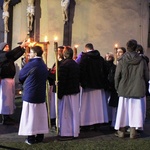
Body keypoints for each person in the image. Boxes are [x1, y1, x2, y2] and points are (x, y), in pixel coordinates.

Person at [114, 39, 149, 139]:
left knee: (122, 111)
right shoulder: (141, 60)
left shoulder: (122, 59)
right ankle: (133, 132)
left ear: (127, 47)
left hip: (124, 88)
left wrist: (117, 87)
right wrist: (144, 86)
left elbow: (117, 76)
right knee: (135, 111)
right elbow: (146, 75)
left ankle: (121, 132)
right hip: (137, 88)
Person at [18, 46, 49, 145]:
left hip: (31, 93)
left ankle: (30, 138)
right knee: (40, 116)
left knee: (30, 117)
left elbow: (21, 76)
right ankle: (40, 136)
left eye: (31, 52)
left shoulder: (32, 64)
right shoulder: (43, 64)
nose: (29, 54)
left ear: (35, 54)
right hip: (40, 94)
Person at [78, 43, 108, 131]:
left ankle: (85, 124)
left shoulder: (84, 58)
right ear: (93, 48)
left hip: (88, 86)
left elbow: (81, 71)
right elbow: (105, 71)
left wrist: (82, 82)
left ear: (86, 49)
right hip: (99, 85)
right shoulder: (101, 58)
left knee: (87, 106)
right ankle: (97, 123)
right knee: (98, 106)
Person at [0, 41, 27, 125]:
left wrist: (23, 49)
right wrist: (20, 47)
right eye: (6, 46)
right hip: (5, 80)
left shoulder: (8, 57)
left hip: (10, 80)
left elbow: (15, 55)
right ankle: (5, 117)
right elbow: (11, 54)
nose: (8, 48)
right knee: (6, 99)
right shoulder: (2, 55)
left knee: (10, 99)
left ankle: (8, 115)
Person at [58, 46, 80, 140]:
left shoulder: (64, 65)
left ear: (65, 54)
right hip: (74, 91)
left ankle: (67, 132)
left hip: (67, 92)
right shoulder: (75, 64)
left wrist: (60, 93)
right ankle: (75, 131)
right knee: (74, 112)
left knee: (66, 114)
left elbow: (63, 80)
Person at [48, 46, 64, 130]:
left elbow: (56, 75)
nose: (57, 53)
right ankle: (53, 119)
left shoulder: (62, 63)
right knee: (53, 105)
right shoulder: (56, 62)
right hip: (53, 86)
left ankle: (56, 121)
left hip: (58, 87)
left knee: (56, 105)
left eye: (59, 51)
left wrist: (48, 73)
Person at [104, 52, 118, 129]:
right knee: (106, 103)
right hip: (107, 86)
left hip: (112, 87)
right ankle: (107, 119)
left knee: (112, 104)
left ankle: (111, 119)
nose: (108, 58)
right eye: (107, 56)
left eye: (110, 57)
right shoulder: (104, 66)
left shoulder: (114, 67)